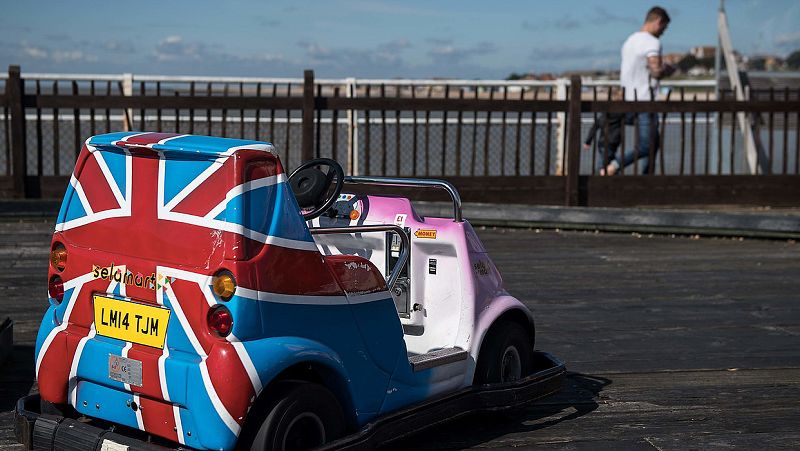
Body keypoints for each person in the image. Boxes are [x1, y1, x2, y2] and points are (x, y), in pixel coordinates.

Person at [603, 6, 674, 175]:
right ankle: (614, 166)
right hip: (645, 101)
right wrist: (669, 69)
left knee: (653, 143)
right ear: (658, 22)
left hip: (628, 100)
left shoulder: (629, 41)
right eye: (664, 28)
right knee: (646, 145)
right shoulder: (652, 42)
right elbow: (656, 72)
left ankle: (646, 179)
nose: (663, 33)